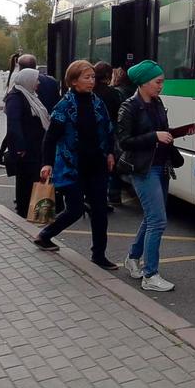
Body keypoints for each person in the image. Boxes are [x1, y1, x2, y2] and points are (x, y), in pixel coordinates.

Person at [34, 60, 118, 270]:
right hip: (72, 166)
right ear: (73, 81)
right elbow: (50, 138)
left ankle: (99, 255)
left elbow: (108, 130)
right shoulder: (64, 105)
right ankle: (45, 235)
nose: (91, 82)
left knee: (99, 211)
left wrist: (109, 153)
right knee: (75, 209)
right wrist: (46, 163)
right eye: (86, 78)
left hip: (96, 165)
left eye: (93, 78)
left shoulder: (98, 102)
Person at [116, 60, 185, 292]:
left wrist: (168, 136)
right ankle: (150, 275)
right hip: (143, 169)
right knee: (158, 220)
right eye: (158, 81)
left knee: (152, 216)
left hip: (161, 166)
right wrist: (154, 136)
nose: (161, 86)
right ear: (143, 82)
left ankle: (133, 258)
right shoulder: (129, 107)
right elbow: (124, 142)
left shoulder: (156, 102)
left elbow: (159, 132)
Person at [4, 68, 50, 218]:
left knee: (32, 177)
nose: (37, 83)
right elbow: (13, 124)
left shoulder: (30, 95)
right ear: (27, 80)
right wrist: (20, 146)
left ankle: (32, 209)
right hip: (25, 148)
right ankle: (24, 210)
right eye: (36, 80)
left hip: (35, 146)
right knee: (25, 179)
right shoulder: (15, 97)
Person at [92, 62, 126, 209]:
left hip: (92, 132)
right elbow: (119, 113)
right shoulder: (113, 93)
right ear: (108, 75)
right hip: (109, 130)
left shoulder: (90, 91)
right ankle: (114, 195)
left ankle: (92, 196)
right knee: (112, 163)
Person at [0, 52, 22, 168]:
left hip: (10, 106)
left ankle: (0, 157)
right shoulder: (17, 74)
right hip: (14, 106)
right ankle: (1, 157)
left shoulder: (13, 73)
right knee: (10, 134)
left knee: (10, 133)